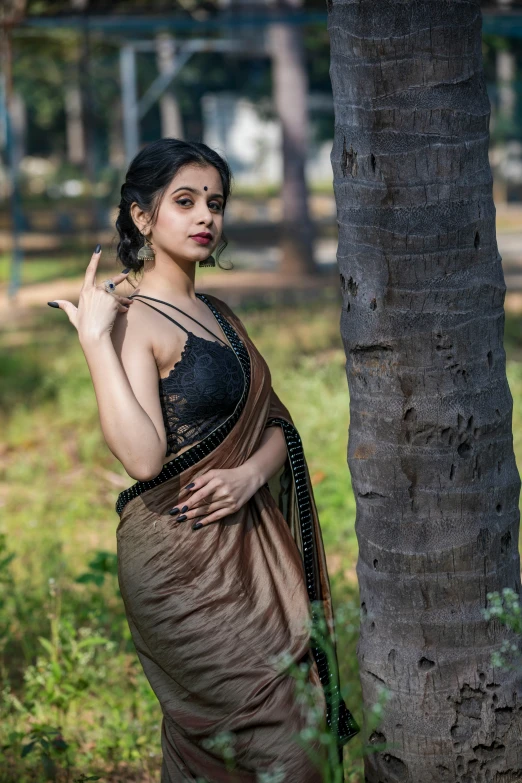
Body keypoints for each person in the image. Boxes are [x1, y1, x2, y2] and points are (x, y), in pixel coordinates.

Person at [48, 138, 358, 782]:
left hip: (250, 554)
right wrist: (94, 342)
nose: (205, 218)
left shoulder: (218, 312)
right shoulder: (132, 319)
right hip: (180, 566)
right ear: (142, 217)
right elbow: (141, 457)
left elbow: (277, 422)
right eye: (184, 201)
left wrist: (250, 474)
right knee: (264, 733)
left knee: (286, 721)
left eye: (214, 203)